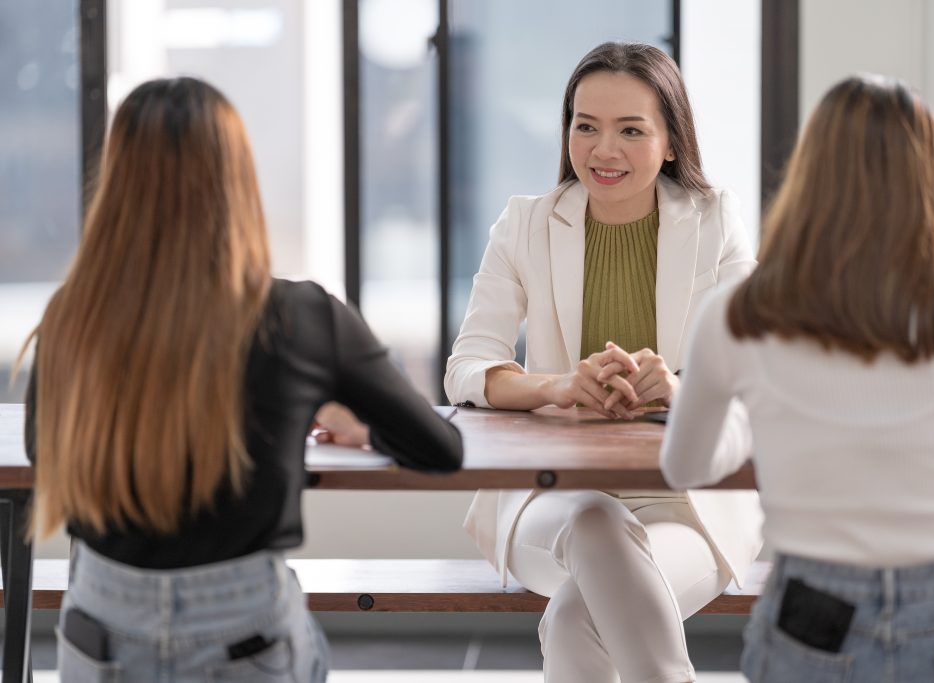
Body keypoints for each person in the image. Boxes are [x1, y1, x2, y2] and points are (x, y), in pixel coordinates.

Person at [22, 77, 463, 682]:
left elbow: (43, 454)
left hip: (101, 628)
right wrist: (358, 429)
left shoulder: (71, 315)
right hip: (243, 633)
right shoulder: (304, 317)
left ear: (119, 183)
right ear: (235, 181)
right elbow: (439, 448)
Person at [661, 74, 934, 682]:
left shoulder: (739, 313)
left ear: (811, 176)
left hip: (813, 610)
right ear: (929, 179)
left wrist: (751, 423)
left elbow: (686, 467)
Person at [446, 41, 762, 683]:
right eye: (585, 126)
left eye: (631, 130)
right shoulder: (525, 224)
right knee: (595, 519)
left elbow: (753, 370)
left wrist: (679, 388)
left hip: (685, 506)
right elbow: (468, 367)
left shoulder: (715, 221)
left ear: (671, 142)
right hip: (552, 498)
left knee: (575, 618)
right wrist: (557, 387)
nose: (603, 150)